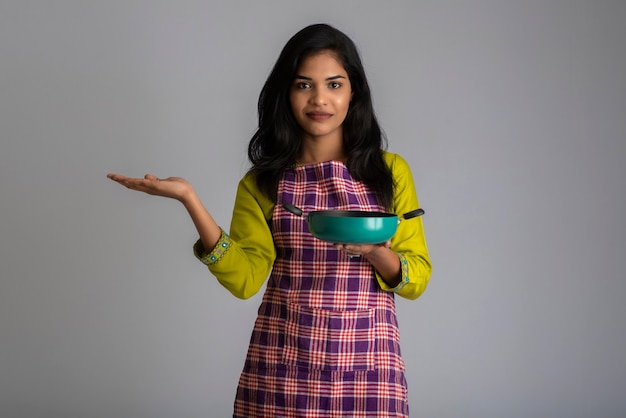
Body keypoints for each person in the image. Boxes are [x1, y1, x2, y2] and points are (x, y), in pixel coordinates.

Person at [108, 23, 431, 418]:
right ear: (286, 93)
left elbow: (417, 277)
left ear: (354, 93)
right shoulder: (263, 183)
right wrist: (189, 200)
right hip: (282, 367)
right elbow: (245, 279)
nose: (319, 100)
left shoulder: (390, 172)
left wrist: (376, 253)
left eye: (333, 85)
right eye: (303, 85)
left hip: (368, 366)